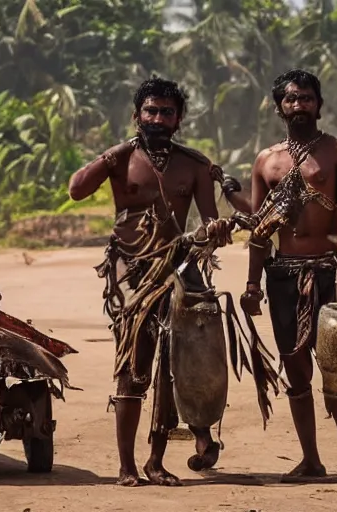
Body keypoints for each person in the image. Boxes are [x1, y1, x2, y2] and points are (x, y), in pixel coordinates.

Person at [68, 76, 267, 487]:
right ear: (137, 115)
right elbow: (76, 190)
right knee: (133, 364)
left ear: (179, 119)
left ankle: (157, 461)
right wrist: (111, 156)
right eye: (151, 111)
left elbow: (209, 217)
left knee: (178, 360)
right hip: (130, 270)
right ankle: (126, 466)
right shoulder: (120, 158)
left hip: (180, 264)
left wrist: (217, 230)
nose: (158, 119)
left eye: (167, 112)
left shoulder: (193, 164)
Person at [239, 69, 337, 479]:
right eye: (291, 99)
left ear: (319, 105)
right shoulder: (266, 161)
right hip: (282, 274)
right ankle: (311, 460)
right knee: (295, 367)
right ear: (279, 108)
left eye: (307, 98)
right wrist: (252, 284)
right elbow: (259, 228)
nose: (299, 105)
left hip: (327, 269)